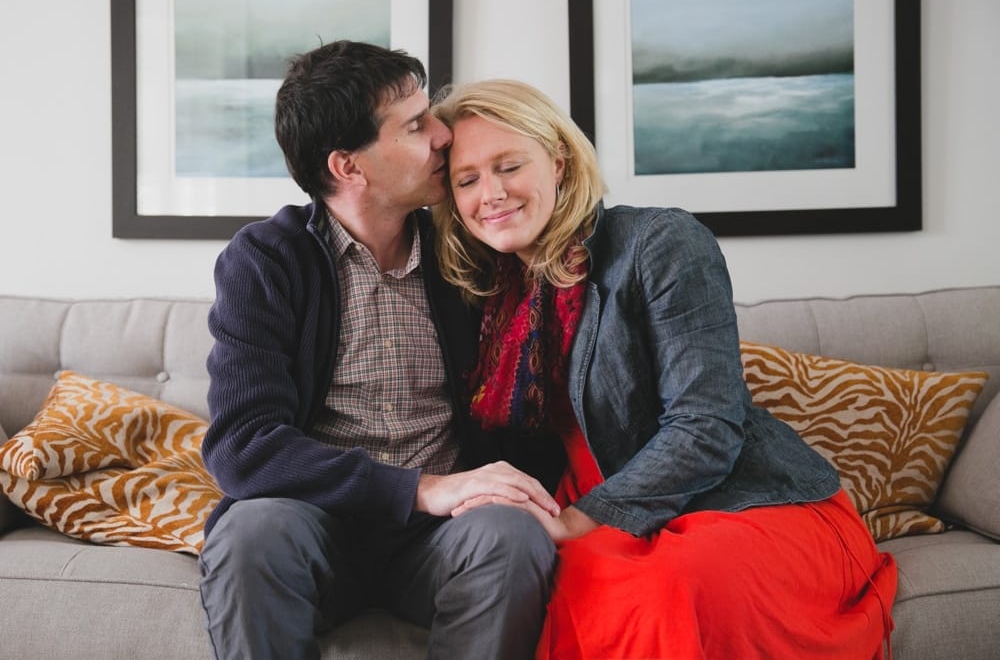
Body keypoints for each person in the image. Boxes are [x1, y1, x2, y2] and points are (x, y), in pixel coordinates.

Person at [431, 78, 899, 659]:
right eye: (467, 180)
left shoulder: (656, 241)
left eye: (509, 166)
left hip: (738, 503)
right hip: (596, 510)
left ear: (557, 162)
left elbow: (707, 425)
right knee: (574, 590)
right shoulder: (489, 294)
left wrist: (580, 520)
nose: (491, 193)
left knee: (662, 590)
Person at [198, 44, 562, 660]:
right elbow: (242, 447)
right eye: (416, 125)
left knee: (510, 533)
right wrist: (421, 488)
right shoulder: (266, 261)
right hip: (312, 524)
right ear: (349, 166)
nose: (444, 134)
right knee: (251, 533)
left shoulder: (469, 246)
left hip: (441, 538)